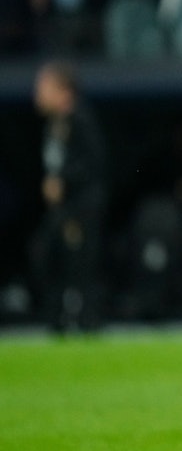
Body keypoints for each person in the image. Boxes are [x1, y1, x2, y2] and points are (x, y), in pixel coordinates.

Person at [28, 60, 108, 332]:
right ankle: (57, 316)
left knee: (80, 264)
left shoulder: (80, 119)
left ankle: (84, 321)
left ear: (64, 91)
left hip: (80, 207)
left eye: (44, 87)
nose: (37, 93)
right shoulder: (54, 124)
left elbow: (94, 162)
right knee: (47, 255)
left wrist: (64, 180)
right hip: (61, 208)